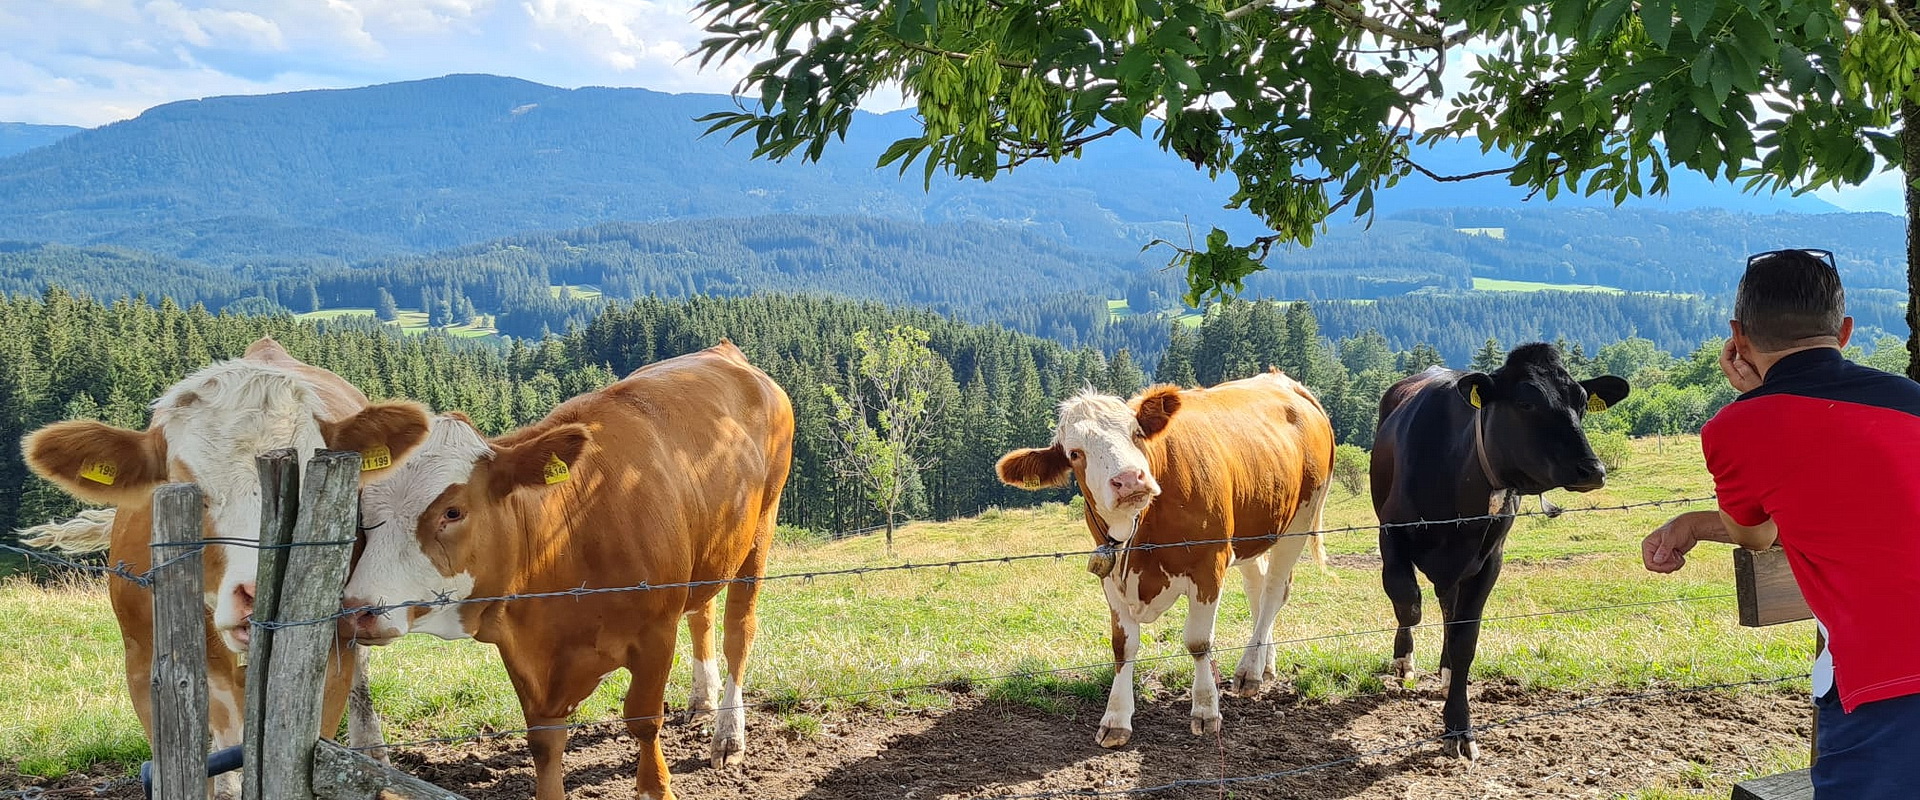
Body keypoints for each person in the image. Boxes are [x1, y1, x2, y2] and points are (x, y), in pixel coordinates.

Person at [1642, 248, 1920, 798]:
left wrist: (1753, 401)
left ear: (1737, 337)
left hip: (1887, 683)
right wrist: (1695, 524)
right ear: (1844, 331)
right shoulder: (1911, 400)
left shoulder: (1738, 429)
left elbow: (1757, 532)